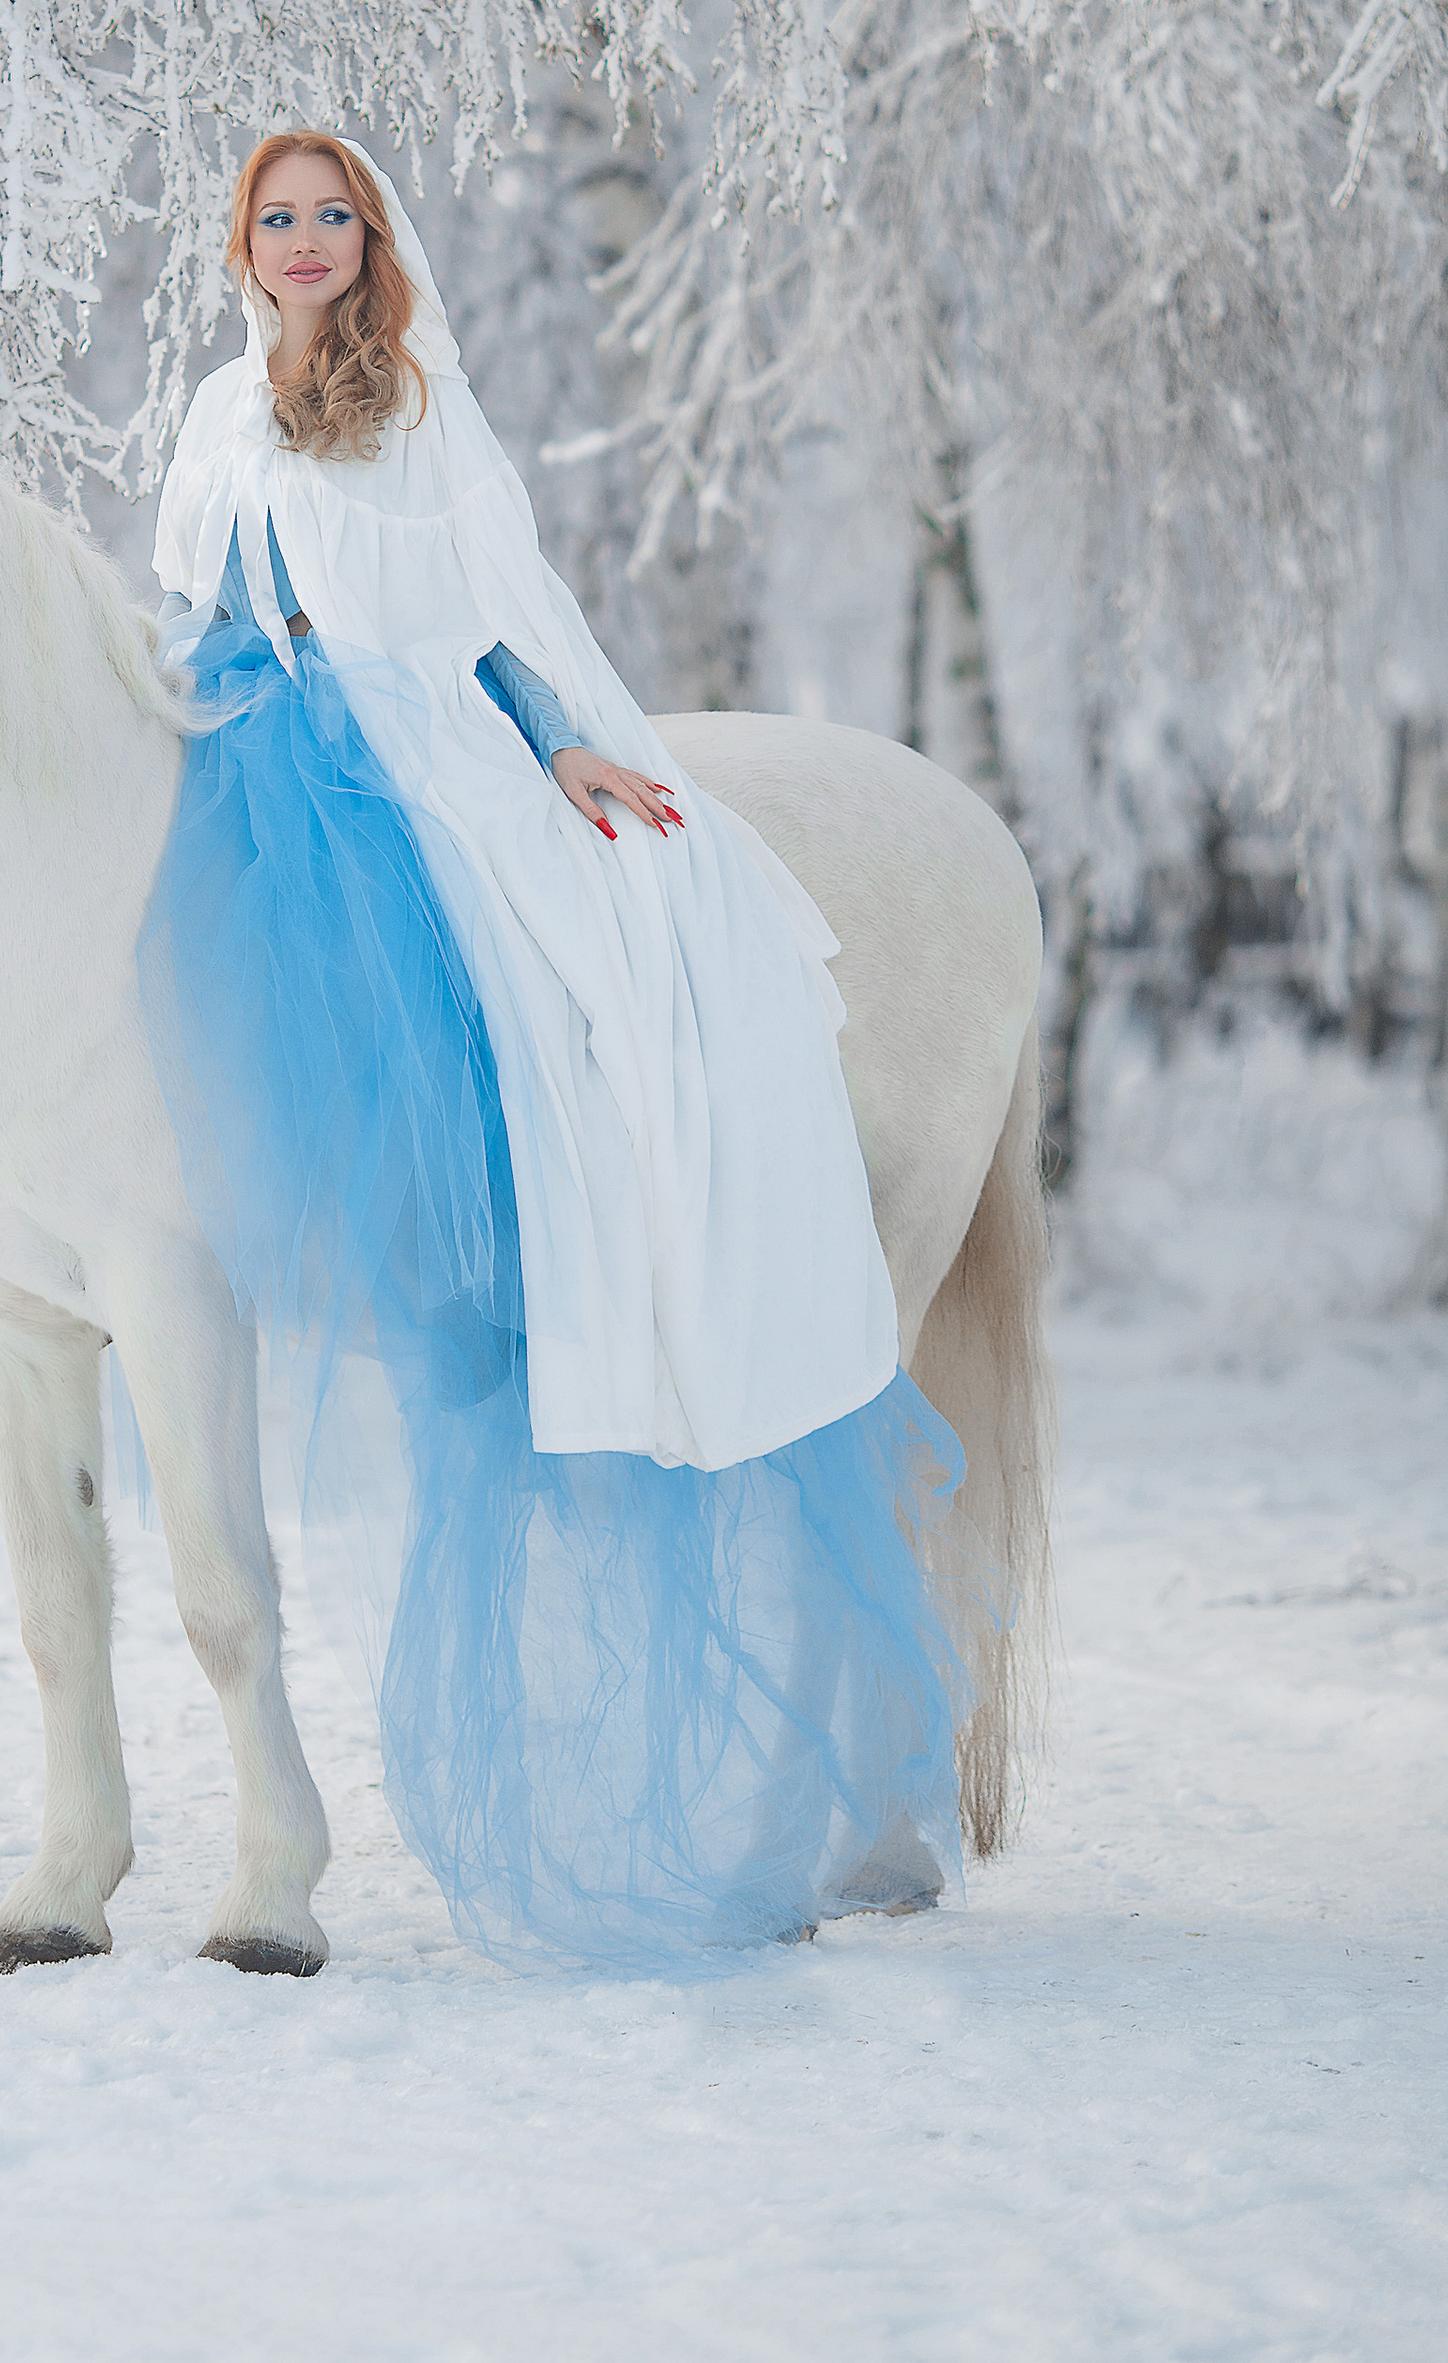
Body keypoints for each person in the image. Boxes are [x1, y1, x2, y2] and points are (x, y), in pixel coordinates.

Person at [139, 130, 968, 1966]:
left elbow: (508, 614)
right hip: (255, 748)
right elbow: (187, 611)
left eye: (330, 217)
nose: (301, 243)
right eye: (275, 219)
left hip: (411, 747)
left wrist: (568, 740)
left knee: (566, 948)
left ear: (369, 242)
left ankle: (518, 1255)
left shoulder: (417, 402)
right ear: (241, 244)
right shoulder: (211, 415)